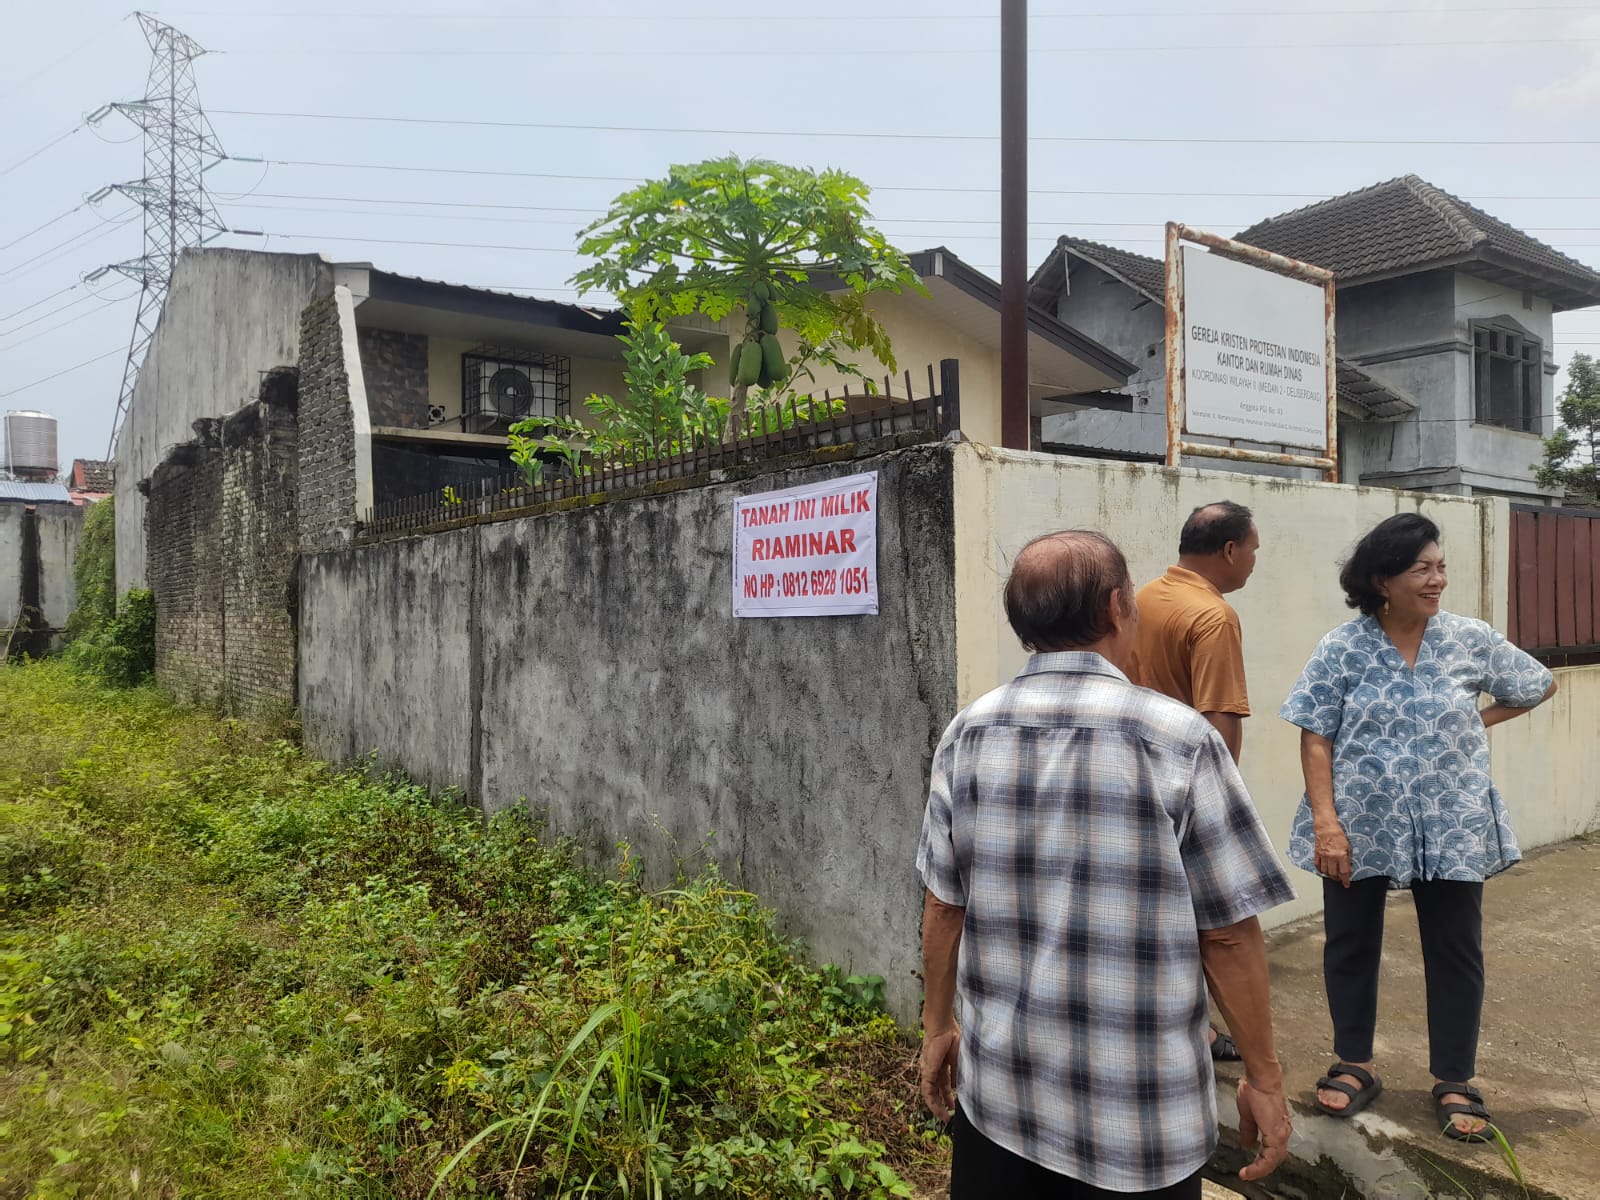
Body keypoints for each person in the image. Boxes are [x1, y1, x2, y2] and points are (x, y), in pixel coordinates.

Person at [917, 530, 1296, 1198]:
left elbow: (945, 905)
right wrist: (1264, 1078)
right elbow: (1228, 935)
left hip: (1000, 1103)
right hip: (1136, 1130)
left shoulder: (968, 732)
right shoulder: (1179, 739)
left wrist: (937, 1026)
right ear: (1119, 606)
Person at [1281, 513, 1557, 1142]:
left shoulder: (1469, 639)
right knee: (1350, 942)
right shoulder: (1342, 648)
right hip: (1360, 819)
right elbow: (1315, 736)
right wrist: (1326, 824)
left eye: (1440, 567)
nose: (1437, 580)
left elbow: (1537, 685)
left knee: (1456, 948)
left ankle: (1454, 1078)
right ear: (1382, 580)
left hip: (1451, 817)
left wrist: (1472, 722)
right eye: (1421, 569)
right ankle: (1355, 1062)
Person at [1128, 499, 1260, 1063]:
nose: (1253, 561)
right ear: (1228, 550)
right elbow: (1219, 718)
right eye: (1252, 550)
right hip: (1185, 785)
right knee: (1208, 921)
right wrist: (1219, 802)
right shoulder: (1213, 616)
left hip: (1131, 774)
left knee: (1149, 911)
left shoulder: (1143, 598)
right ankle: (1198, 1031)